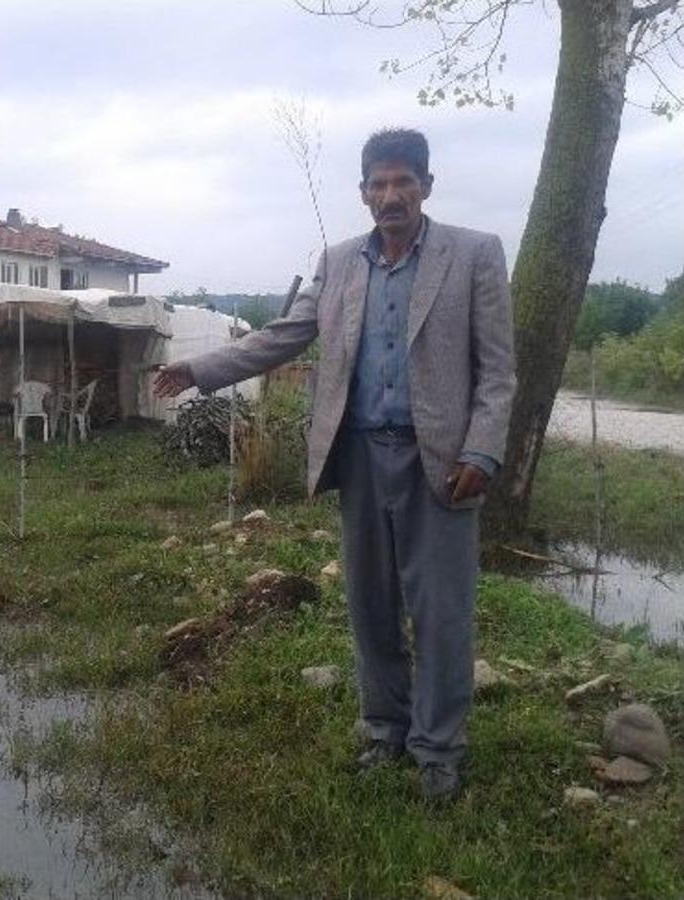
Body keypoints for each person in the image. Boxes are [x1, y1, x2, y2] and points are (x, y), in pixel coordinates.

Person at [153, 128, 515, 801]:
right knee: (370, 607)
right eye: (378, 184)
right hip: (358, 456)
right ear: (363, 194)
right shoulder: (342, 261)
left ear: (427, 186)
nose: (391, 195)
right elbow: (285, 335)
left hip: (440, 462)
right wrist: (198, 369)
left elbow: (498, 371)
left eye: (404, 181)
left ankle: (439, 750)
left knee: (440, 612)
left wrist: (483, 448)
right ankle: (386, 731)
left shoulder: (474, 255)